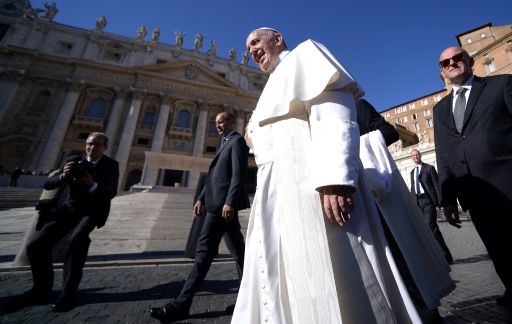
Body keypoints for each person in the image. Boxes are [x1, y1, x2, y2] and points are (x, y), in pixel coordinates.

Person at [232, 27, 421, 323]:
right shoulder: (270, 85)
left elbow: (334, 113)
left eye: (256, 42)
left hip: (311, 185)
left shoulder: (306, 55)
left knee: (329, 271)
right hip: (274, 193)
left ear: (277, 40)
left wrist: (335, 177)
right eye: (248, 47)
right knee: (281, 273)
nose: (251, 50)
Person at [357, 99, 454, 323]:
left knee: (401, 259)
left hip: (379, 197)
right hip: (353, 203)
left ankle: (427, 314)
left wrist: (352, 146)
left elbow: (389, 132)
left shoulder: (356, 105)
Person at [149, 112, 249, 322]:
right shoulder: (225, 142)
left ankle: (181, 304)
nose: (218, 126)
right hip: (215, 204)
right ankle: (247, 299)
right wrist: (201, 198)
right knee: (240, 253)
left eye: (221, 122)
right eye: (216, 123)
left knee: (203, 253)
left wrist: (229, 202)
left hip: (221, 207)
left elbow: (238, 175)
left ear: (231, 122)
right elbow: (214, 177)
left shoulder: (237, 141)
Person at [434, 46, 512, 306]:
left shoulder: (500, 84)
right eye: (446, 62)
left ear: (470, 61)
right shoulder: (440, 109)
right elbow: (443, 154)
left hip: (506, 180)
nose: (452, 63)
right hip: (472, 190)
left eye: (457, 58)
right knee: (495, 245)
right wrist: (447, 198)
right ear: (442, 71)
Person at [10, 132, 119, 312]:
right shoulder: (74, 159)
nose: (92, 147)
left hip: (91, 211)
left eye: (97, 145)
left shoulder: (111, 165)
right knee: (36, 245)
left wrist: (91, 184)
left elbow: (110, 193)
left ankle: (68, 294)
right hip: (69, 209)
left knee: (78, 240)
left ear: (105, 147)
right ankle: (42, 288)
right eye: (89, 144)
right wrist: (63, 176)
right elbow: (48, 184)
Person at [410, 149, 454, 264]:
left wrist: (439, 202)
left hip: (428, 201)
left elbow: (436, 185)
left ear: (420, 155)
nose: (416, 157)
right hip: (418, 202)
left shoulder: (429, 168)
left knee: (431, 226)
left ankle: (445, 255)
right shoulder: (412, 172)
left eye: (417, 155)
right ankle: (437, 255)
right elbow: (413, 188)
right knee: (427, 229)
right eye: (413, 156)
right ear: (412, 158)